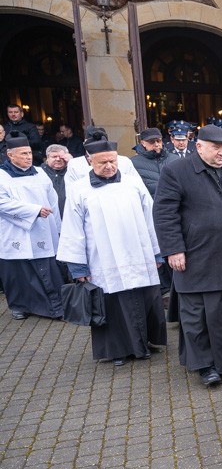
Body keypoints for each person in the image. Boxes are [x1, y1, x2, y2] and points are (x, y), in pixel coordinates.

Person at [153, 124, 222, 387]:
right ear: (198, 146)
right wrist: (173, 249)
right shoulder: (176, 171)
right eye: (216, 148)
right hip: (195, 257)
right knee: (197, 315)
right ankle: (206, 364)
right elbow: (165, 213)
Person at [56, 136, 166, 366]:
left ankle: (145, 343)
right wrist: (77, 266)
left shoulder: (133, 183)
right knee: (113, 305)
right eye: (102, 162)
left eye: (112, 161)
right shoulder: (79, 189)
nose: (109, 166)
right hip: (103, 258)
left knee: (143, 299)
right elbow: (72, 228)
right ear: (90, 161)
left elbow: (150, 218)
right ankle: (118, 350)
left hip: (139, 253)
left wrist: (157, 252)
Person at [0, 130, 64, 320]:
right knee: (18, 273)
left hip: (42, 230)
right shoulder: (2, 176)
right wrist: (33, 211)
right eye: (24, 154)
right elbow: (1, 203)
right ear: (10, 155)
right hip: (14, 233)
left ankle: (54, 307)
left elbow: (53, 201)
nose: (29, 157)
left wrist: (59, 229)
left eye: (29, 153)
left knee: (47, 270)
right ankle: (20, 306)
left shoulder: (40, 173)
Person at [131, 128, 170, 198]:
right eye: (151, 142)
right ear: (143, 143)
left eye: (159, 141)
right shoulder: (133, 163)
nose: (156, 144)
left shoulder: (175, 159)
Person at [40, 144, 71, 219]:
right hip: (47, 216)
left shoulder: (73, 172)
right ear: (47, 158)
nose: (58, 159)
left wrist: (72, 162)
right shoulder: (39, 173)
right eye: (54, 157)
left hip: (69, 216)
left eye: (61, 157)